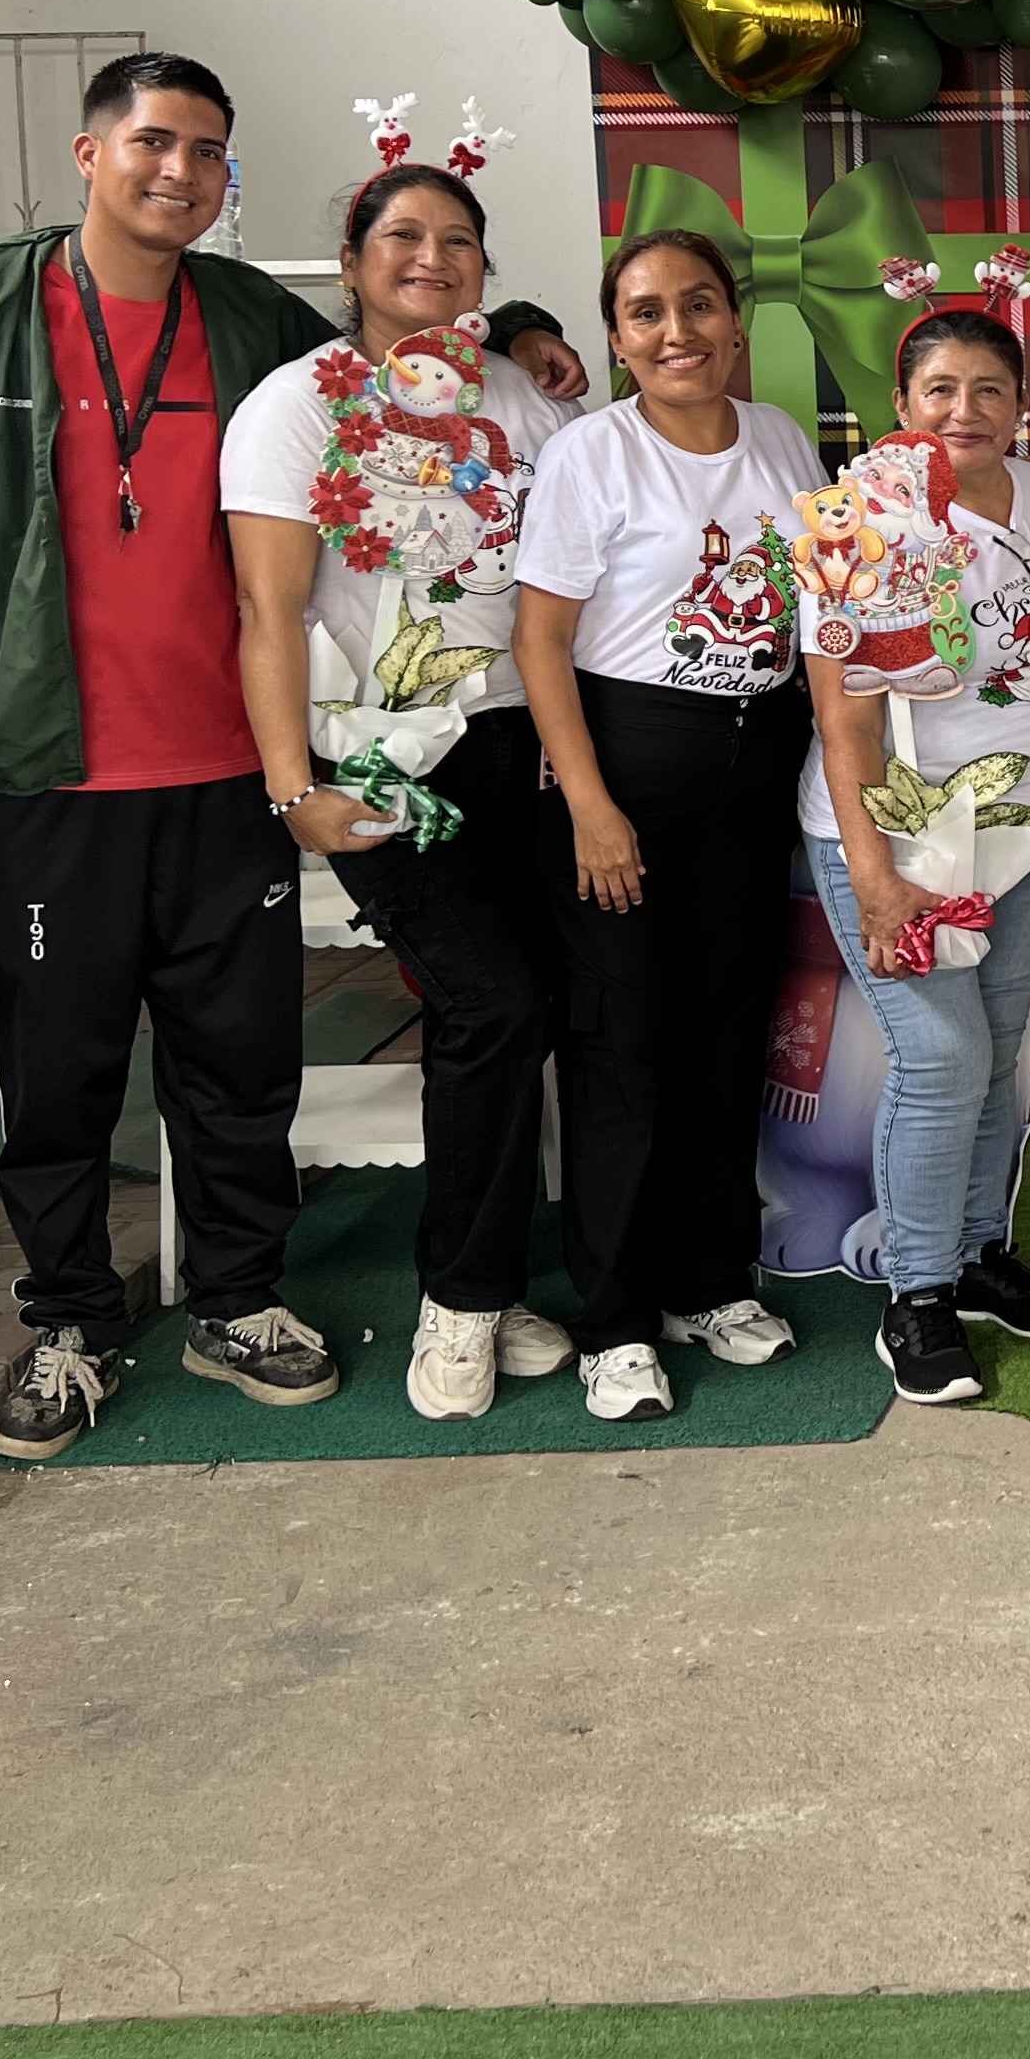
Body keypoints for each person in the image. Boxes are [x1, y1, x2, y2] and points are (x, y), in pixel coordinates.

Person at [0, 51, 344, 1461]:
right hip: (42, 773)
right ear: (90, 152)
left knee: (242, 1063)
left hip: (231, 772)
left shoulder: (256, 324)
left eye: (209, 152)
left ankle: (238, 1302)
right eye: (156, 141)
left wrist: (518, 362)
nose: (182, 171)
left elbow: (386, 421)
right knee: (57, 1075)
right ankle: (70, 1321)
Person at [225, 153, 575, 1425]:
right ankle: (461, 1302)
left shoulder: (521, 401)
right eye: (404, 237)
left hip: (525, 742)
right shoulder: (295, 408)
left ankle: (500, 1279)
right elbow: (266, 611)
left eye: (459, 240)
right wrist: (292, 788)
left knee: (542, 1006)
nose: (434, 259)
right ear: (354, 260)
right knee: (494, 999)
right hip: (384, 759)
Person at [511, 229, 819, 1424]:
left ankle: (709, 1283)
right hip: (624, 773)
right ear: (618, 338)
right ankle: (617, 1322)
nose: (676, 331)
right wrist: (592, 808)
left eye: (698, 305)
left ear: (735, 322)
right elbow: (541, 641)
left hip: (755, 772)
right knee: (624, 1048)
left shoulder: (780, 438)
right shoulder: (591, 454)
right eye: (646, 313)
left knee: (726, 1035)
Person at [801, 303, 1030, 1409]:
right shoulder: (855, 523)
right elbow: (844, 718)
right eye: (939, 390)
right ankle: (916, 1293)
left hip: (1027, 826)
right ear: (900, 404)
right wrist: (876, 877)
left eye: (989, 390)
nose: (963, 411)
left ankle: (976, 1254)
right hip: (904, 833)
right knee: (939, 1057)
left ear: (1020, 407)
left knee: (995, 1044)